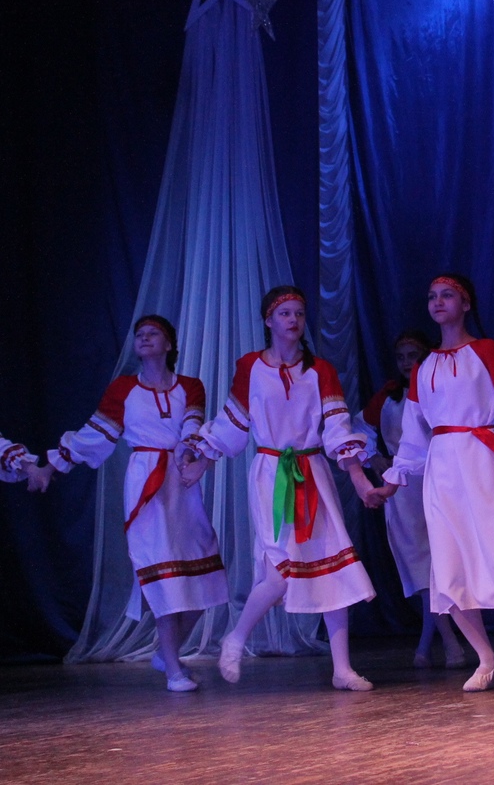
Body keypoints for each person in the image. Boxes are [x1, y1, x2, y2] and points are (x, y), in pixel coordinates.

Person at [365, 274, 494, 695]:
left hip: (483, 460)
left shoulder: (487, 352)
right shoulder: (423, 367)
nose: (437, 302)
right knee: (449, 565)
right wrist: (392, 482)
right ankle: (486, 659)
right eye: (432, 296)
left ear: (466, 303)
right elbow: (413, 437)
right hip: (442, 469)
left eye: (447, 295)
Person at [183, 287, 378, 691]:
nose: (293, 320)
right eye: (285, 313)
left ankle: (342, 669)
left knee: (334, 567)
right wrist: (202, 462)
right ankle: (236, 638)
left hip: (312, 473)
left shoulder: (320, 370)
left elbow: (337, 428)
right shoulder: (251, 367)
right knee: (279, 570)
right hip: (272, 474)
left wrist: (360, 479)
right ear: (269, 321)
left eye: (299, 314)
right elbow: (233, 424)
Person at [28, 316, 228, 692]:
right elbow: (93, 436)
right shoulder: (123, 389)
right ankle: (173, 671)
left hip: (181, 484)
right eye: (140, 335)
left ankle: (165, 653)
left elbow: (193, 424)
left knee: (202, 583)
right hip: (145, 487)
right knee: (164, 579)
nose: (145, 338)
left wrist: (188, 454)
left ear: (169, 344)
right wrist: (50, 467)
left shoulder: (190, 386)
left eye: (153, 334)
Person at [357, 330, 466, 669]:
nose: (406, 363)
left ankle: (441, 643)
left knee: (440, 562)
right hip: (401, 488)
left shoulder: (437, 387)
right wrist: (373, 457)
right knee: (418, 567)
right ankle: (441, 642)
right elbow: (358, 429)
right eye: (401, 357)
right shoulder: (389, 396)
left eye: (412, 356)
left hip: (436, 480)